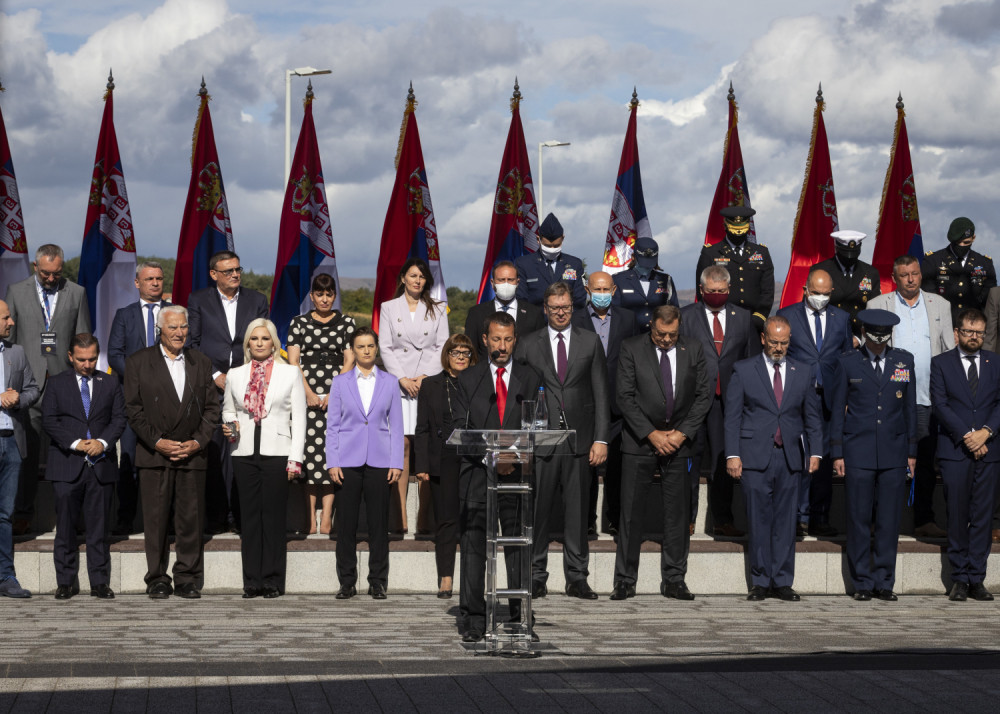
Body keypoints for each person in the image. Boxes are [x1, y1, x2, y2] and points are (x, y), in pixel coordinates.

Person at [452, 312, 541, 641]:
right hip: (477, 475)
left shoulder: (530, 377)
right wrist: (492, 456)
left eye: (507, 340)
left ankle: (521, 616)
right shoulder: (468, 379)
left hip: (517, 475)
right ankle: (474, 619)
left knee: (518, 548)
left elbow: (537, 424)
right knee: (474, 548)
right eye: (495, 339)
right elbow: (459, 428)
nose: (501, 346)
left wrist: (510, 456)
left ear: (515, 341)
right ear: (484, 340)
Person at [612, 305, 711, 601]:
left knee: (678, 514)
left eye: (672, 334)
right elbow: (624, 397)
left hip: (680, 442)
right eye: (661, 334)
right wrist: (652, 434)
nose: (666, 340)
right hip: (640, 442)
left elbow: (703, 396)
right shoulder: (631, 348)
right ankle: (625, 580)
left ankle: (674, 579)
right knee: (631, 513)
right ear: (651, 326)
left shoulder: (694, 349)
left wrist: (681, 434)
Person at [520, 281, 608, 600]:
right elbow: (520, 394)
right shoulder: (528, 343)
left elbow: (601, 391)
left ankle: (577, 577)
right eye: (555, 308)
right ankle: (535, 575)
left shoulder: (590, 341)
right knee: (538, 511)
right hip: (541, 441)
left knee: (578, 512)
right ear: (545, 309)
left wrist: (601, 439)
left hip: (580, 441)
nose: (561, 313)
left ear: (573, 308)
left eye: (566, 307)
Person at [725, 316, 823, 601]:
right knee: (758, 520)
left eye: (784, 343)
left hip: (790, 457)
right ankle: (760, 581)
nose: (779, 348)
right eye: (774, 342)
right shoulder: (744, 370)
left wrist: (816, 452)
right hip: (754, 456)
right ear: (763, 339)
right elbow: (732, 417)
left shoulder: (802, 371)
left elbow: (812, 416)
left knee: (786, 521)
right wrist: (733, 454)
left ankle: (782, 581)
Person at [125, 305, 219, 599]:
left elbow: (212, 408)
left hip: (192, 453)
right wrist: (157, 442)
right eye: (173, 327)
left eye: (183, 327)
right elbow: (133, 410)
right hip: (155, 455)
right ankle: (157, 578)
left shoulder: (200, 362)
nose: (179, 333)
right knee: (156, 521)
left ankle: (187, 578)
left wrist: (197, 442)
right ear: (159, 330)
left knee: (190, 520)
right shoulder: (138, 362)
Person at [830, 309, 917, 601]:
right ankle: (862, 583)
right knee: (858, 517)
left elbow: (910, 409)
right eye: (874, 336)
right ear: (864, 333)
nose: (879, 342)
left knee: (889, 520)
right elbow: (837, 410)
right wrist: (837, 451)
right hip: (858, 450)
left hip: (894, 451)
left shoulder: (904, 361)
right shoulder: (848, 362)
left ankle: (884, 581)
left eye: (884, 336)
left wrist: (912, 451)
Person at [4, 244, 90, 535]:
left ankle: (74, 514)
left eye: (57, 273)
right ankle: (23, 512)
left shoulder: (76, 292)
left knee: (70, 449)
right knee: (26, 451)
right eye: (46, 273)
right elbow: (8, 341)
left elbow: (83, 338)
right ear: (35, 267)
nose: (52, 278)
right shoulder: (16, 291)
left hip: (64, 382)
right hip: (27, 385)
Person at [869, 255, 954, 538]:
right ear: (894, 278)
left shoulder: (940, 304)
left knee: (926, 461)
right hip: (889, 397)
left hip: (927, 397)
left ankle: (924, 519)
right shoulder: (877, 304)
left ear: (921, 275)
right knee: (885, 459)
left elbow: (948, 350)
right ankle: (879, 520)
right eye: (904, 275)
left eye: (915, 273)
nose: (910, 279)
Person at [221, 319, 306, 599]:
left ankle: (271, 580)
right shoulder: (235, 374)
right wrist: (230, 425)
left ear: (273, 343)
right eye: (254, 338)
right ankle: (252, 581)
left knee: (273, 518)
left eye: (265, 338)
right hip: (243, 453)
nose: (259, 343)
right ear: (248, 342)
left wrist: (295, 458)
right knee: (249, 519)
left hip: (278, 452)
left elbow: (300, 418)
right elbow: (228, 410)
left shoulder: (290, 373)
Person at [187, 249, 270, 535]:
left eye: (238, 269)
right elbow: (193, 344)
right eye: (228, 271)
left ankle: (241, 516)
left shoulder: (257, 300)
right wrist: (214, 376)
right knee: (213, 452)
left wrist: (245, 377)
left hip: (248, 388)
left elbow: (263, 344)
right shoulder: (198, 300)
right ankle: (215, 517)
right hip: (212, 389)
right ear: (214, 274)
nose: (235, 275)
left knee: (243, 453)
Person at [41, 334, 126, 600]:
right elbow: (49, 420)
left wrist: (103, 442)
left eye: (92, 359)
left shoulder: (110, 382)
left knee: (99, 529)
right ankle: (65, 582)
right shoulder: (56, 383)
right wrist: (77, 443)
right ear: (70, 356)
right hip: (66, 464)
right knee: (65, 528)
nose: (87, 365)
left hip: (101, 466)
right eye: (81, 360)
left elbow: (119, 418)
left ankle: (99, 582)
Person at [681, 265, 760, 537]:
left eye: (722, 290)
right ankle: (686, 518)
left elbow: (750, 360)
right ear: (702, 290)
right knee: (690, 461)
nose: (717, 294)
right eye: (712, 290)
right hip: (693, 401)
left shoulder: (744, 317)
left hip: (728, 403)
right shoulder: (686, 316)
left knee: (724, 461)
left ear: (729, 289)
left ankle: (722, 519)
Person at [326, 327, 404, 600]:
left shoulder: (390, 382)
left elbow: (397, 425)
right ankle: (347, 582)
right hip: (347, 460)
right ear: (353, 350)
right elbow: (333, 426)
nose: (367, 350)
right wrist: (332, 461)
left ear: (377, 348)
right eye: (361, 346)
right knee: (346, 524)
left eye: (371, 345)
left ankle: (377, 581)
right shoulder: (340, 382)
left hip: (380, 461)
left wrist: (396, 462)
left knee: (378, 525)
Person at [930, 308, 1000, 602]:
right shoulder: (941, 363)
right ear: (957, 333)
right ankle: (959, 577)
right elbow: (940, 404)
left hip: (990, 450)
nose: (975, 337)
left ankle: (977, 578)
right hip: (956, 449)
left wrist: (986, 432)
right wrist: (969, 436)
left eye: (980, 332)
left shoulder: (995, 362)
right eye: (969, 331)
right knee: (957, 514)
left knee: (983, 516)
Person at [777, 268, 853, 537]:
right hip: (798, 398)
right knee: (799, 456)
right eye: (815, 292)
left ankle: (820, 516)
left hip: (830, 400)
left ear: (831, 292)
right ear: (805, 290)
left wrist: (847, 397)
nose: (820, 297)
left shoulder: (842, 318)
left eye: (825, 294)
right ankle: (798, 516)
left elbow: (847, 358)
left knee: (825, 458)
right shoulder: (787, 315)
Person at [377, 257, 449, 534]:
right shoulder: (388, 307)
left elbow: (442, 345)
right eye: (413, 275)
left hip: (427, 383)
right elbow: (385, 346)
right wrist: (402, 378)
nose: (417, 280)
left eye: (422, 276)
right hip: (399, 385)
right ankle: (400, 517)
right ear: (403, 278)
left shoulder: (439, 308)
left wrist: (423, 377)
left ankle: (424, 518)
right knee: (402, 447)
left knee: (426, 448)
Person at [286, 274, 355, 535]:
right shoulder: (299, 323)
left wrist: (333, 392)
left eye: (329, 294)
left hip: (337, 393)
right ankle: (309, 517)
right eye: (319, 294)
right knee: (309, 453)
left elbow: (349, 359)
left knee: (330, 452)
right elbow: (293, 361)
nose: (324, 299)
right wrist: (307, 393)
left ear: (334, 296)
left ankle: (326, 515)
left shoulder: (347, 322)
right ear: (312, 296)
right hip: (305, 393)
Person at [107, 260, 171, 535]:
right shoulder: (124, 315)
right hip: (132, 400)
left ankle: (167, 521)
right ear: (137, 283)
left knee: (167, 460)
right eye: (149, 279)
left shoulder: (174, 313)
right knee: (129, 459)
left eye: (159, 279)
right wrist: (140, 380)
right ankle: (125, 518)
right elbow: (115, 354)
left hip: (168, 401)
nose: (155, 283)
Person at [571, 271, 637, 536]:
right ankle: (587, 520)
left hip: (619, 405)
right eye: (596, 289)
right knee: (587, 467)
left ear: (614, 290)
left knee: (617, 468)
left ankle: (614, 519)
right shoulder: (575, 319)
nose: (601, 294)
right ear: (588, 290)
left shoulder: (628, 319)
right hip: (586, 403)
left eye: (606, 289)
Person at [414, 333, 475, 599]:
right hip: (443, 458)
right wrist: (422, 464)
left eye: (465, 352)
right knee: (446, 520)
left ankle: (473, 579)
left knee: (472, 520)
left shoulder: (479, 382)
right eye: (455, 352)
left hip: (473, 458)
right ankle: (446, 578)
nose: (461, 357)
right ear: (446, 355)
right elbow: (422, 428)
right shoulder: (430, 385)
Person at [0, 299, 40, 598]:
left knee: (5, 514)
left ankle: (5, 576)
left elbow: (32, 389)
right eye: (6, 317)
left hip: (12, 442)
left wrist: (18, 400)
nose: (11, 322)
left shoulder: (16, 352)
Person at [695, 205, 774, 331]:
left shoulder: (761, 252)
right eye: (735, 228)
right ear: (725, 225)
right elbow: (702, 290)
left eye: (742, 227)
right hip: (722, 320)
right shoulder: (711, 253)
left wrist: (759, 317)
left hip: (753, 321)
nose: (738, 233)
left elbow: (767, 291)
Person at [464, 261, 545, 360]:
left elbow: (541, 350)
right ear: (492, 283)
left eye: (510, 280)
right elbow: (470, 349)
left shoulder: (534, 313)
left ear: (517, 282)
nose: (506, 284)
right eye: (501, 280)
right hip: (487, 368)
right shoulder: (476, 313)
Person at [922, 217, 996, 321]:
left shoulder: (984, 263)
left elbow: (989, 303)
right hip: (942, 323)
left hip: (974, 325)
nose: (961, 246)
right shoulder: (933, 261)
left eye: (966, 242)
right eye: (957, 242)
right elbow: (929, 298)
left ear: (973, 238)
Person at [813, 230, 882, 338]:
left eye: (854, 254)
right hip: (828, 335)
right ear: (836, 248)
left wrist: (859, 338)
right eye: (845, 254)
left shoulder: (870, 273)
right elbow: (811, 307)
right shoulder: (820, 271)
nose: (849, 258)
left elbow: (874, 310)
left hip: (860, 336)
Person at [514, 213, 587, 309]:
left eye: (556, 246)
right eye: (547, 246)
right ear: (538, 240)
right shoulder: (524, 264)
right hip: (535, 317)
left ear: (562, 239)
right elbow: (521, 299)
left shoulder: (574, 264)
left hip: (566, 317)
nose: (552, 249)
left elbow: (579, 300)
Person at [612, 237, 679, 332]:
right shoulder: (619, 280)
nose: (646, 267)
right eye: (643, 263)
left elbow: (674, 311)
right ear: (633, 257)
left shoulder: (665, 280)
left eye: (650, 263)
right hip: (629, 335)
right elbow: (615, 313)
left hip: (658, 335)